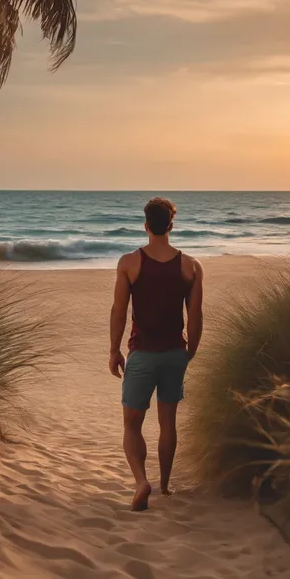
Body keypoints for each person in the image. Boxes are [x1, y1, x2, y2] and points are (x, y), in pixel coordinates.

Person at [109, 198, 204, 511]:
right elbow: (195, 316)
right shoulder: (191, 266)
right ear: (172, 225)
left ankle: (141, 482)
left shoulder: (129, 263)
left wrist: (113, 349)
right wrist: (189, 351)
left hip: (142, 355)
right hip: (175, 353)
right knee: (168, 423)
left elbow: (119, 311)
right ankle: (164, 486)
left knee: (132, 425)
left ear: (145, 224)